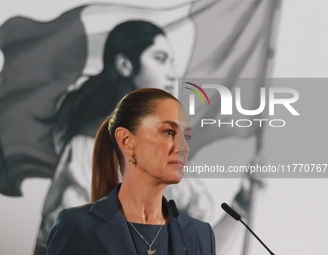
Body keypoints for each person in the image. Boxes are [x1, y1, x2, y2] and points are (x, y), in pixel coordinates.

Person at [36, 20, 255, 254]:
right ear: (125, 65)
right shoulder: (88, 149)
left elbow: (200, 247)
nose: (173, 73)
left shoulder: (170, 159)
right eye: (160, 59)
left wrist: (242, 202)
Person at [46, 88, 216, 255]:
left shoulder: (200, 235)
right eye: (169, 132)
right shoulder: (76, 228)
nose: (184, 148)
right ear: (127, 140)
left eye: (186, 137)